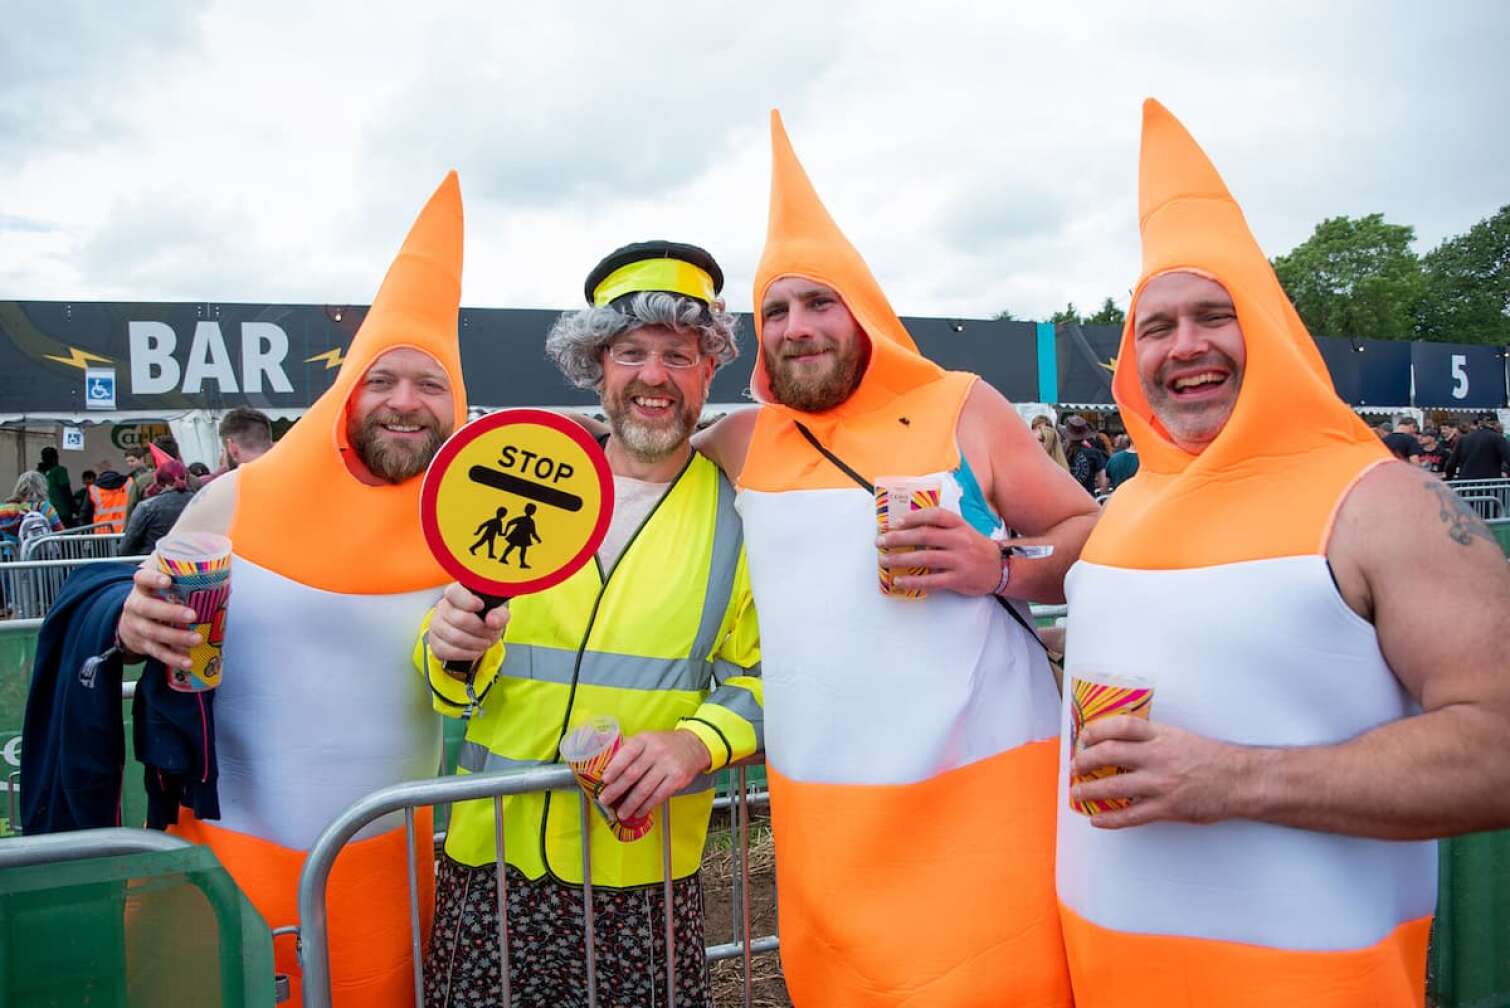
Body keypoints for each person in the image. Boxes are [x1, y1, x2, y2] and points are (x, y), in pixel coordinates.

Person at [1057, 99, 1510, 1007]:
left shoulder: (1383, 501)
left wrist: (1235, 779)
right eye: (1157, 325)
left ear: (1268, 327)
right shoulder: (1127, 504)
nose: (1186, 346)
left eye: (1215, 315)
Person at [691, 112, 1096, 1006]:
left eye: (819, 301)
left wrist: (995, 568)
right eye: (776, 310)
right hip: (827, 820)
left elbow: (1087, 538)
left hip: (984, 805)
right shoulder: (741, 441)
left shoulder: (961, 405)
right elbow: (624, 474)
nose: (798, 327)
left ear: (862, 309)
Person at [113, 173, 468, 1006]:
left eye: (431, 383)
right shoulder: (236, 496)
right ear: (346, 389)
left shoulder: (468, 526)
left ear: (458, 401)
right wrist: (128, 623)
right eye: (383, 379)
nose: (405, 403)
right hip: (227, 866)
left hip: (386, 871)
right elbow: (145, 613)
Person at [418, 240, 761, 1008]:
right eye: (631, 351)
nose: (653, 376)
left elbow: (768, 676)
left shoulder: (743, 515)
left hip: (637, 874)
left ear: (710, 370)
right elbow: (449, 666)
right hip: (490, 859)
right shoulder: (524, 475)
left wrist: (696, 742)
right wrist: (450, 649)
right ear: (596, 367)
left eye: (678, 354)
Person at [118, 460, 196, 556]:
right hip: (195, 564)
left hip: (154, 563)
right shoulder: (202, 501)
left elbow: (125, 549)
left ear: (160, 481)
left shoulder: (146, 507)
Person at [206, 407, 274, 482]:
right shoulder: (287, 476)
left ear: (232, 447)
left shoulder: (226, 489)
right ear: (271, 444)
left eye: (223, 450)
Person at [1, 471, 64, 546]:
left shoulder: (4, 509)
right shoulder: (44, 507)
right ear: (42, 487)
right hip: (39, 553)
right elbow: (60, 531)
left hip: (10, 553)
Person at [1445, 412, 1510, 479]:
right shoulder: (1498, 438)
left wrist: (1449, 478)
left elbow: (1451, 464)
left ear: (1479, 423)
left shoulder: (1464, 439)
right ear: (1496, 423)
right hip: (1489, 484)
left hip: (1465, 484)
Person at [1063, 414, 1109, 494]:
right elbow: (1102, 483)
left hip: (1066, 498)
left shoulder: (1061, 452)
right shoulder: (1095, 453)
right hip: (1087, 499)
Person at [36, 446, 77, 528]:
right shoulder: (59, 471)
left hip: (44, 511)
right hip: (61, 511)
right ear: (55, 458)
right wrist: (74, 508)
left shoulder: (38, 473)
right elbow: (66, 490)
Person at [85, 464, 131, 534]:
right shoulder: (129, 482)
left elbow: (85, 514)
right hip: (127, 530)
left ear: (99, 473)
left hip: (104, 534)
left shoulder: (93, 489)